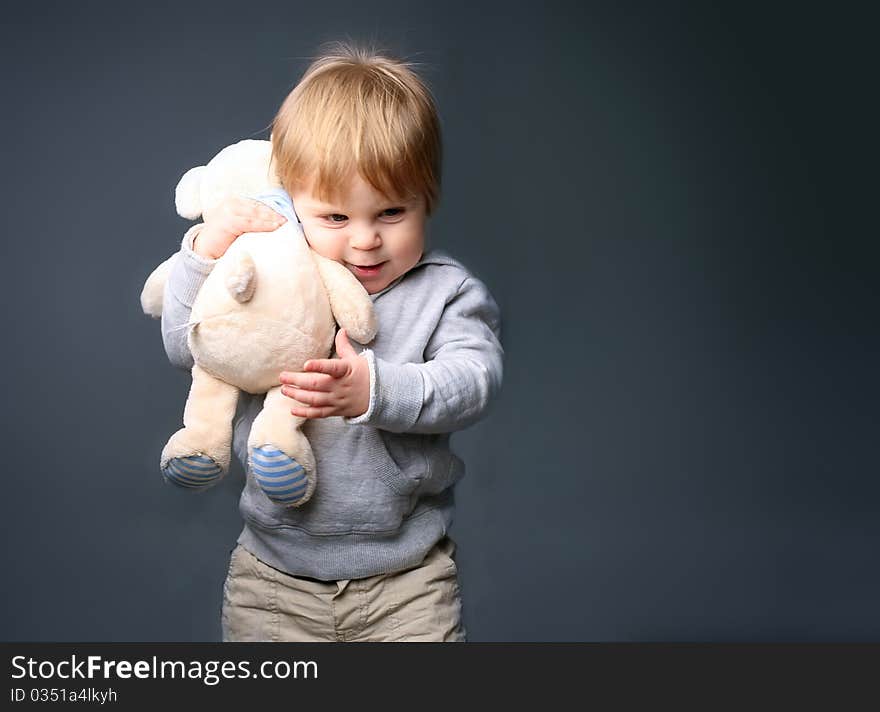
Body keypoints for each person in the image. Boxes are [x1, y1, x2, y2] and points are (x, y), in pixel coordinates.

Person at [160, 42, 503, 642]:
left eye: (392, 212)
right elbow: (189, 347)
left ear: (430, 198)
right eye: (336, 219)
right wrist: (204, 254)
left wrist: (377, 390)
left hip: (407, 583)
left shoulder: (445, 292)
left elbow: (474, 382)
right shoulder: (270, 275)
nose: (366, 241)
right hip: (272, 584)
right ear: (291, 202)